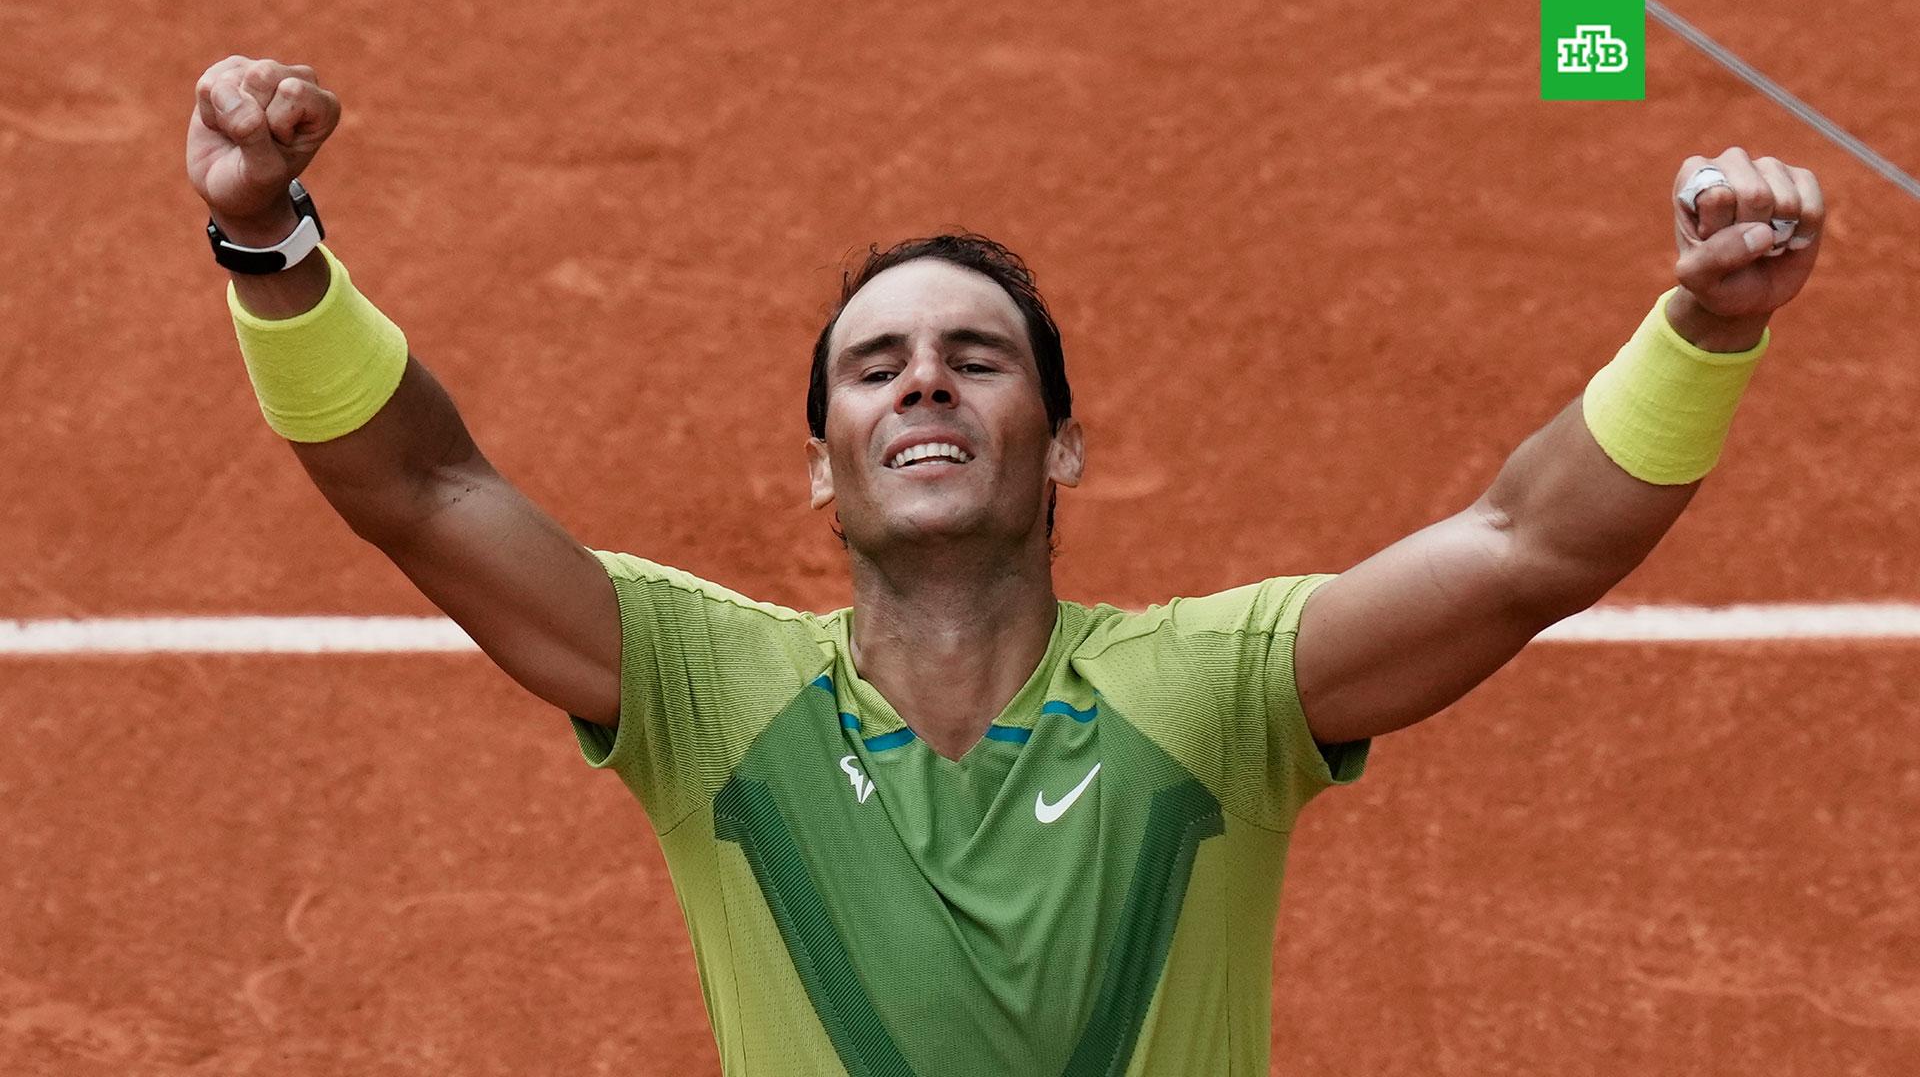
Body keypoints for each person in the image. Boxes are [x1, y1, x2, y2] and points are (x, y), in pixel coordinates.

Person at [188, 53, 1825, 1076]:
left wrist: (1702, 328)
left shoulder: (1218, 694)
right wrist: (269, 244)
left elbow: (1530, 544)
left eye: (977, 359)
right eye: (874, 366)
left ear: (1062, 447)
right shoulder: (704, 691)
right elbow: (423, 487)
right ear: (819, 463)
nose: (922, 382)